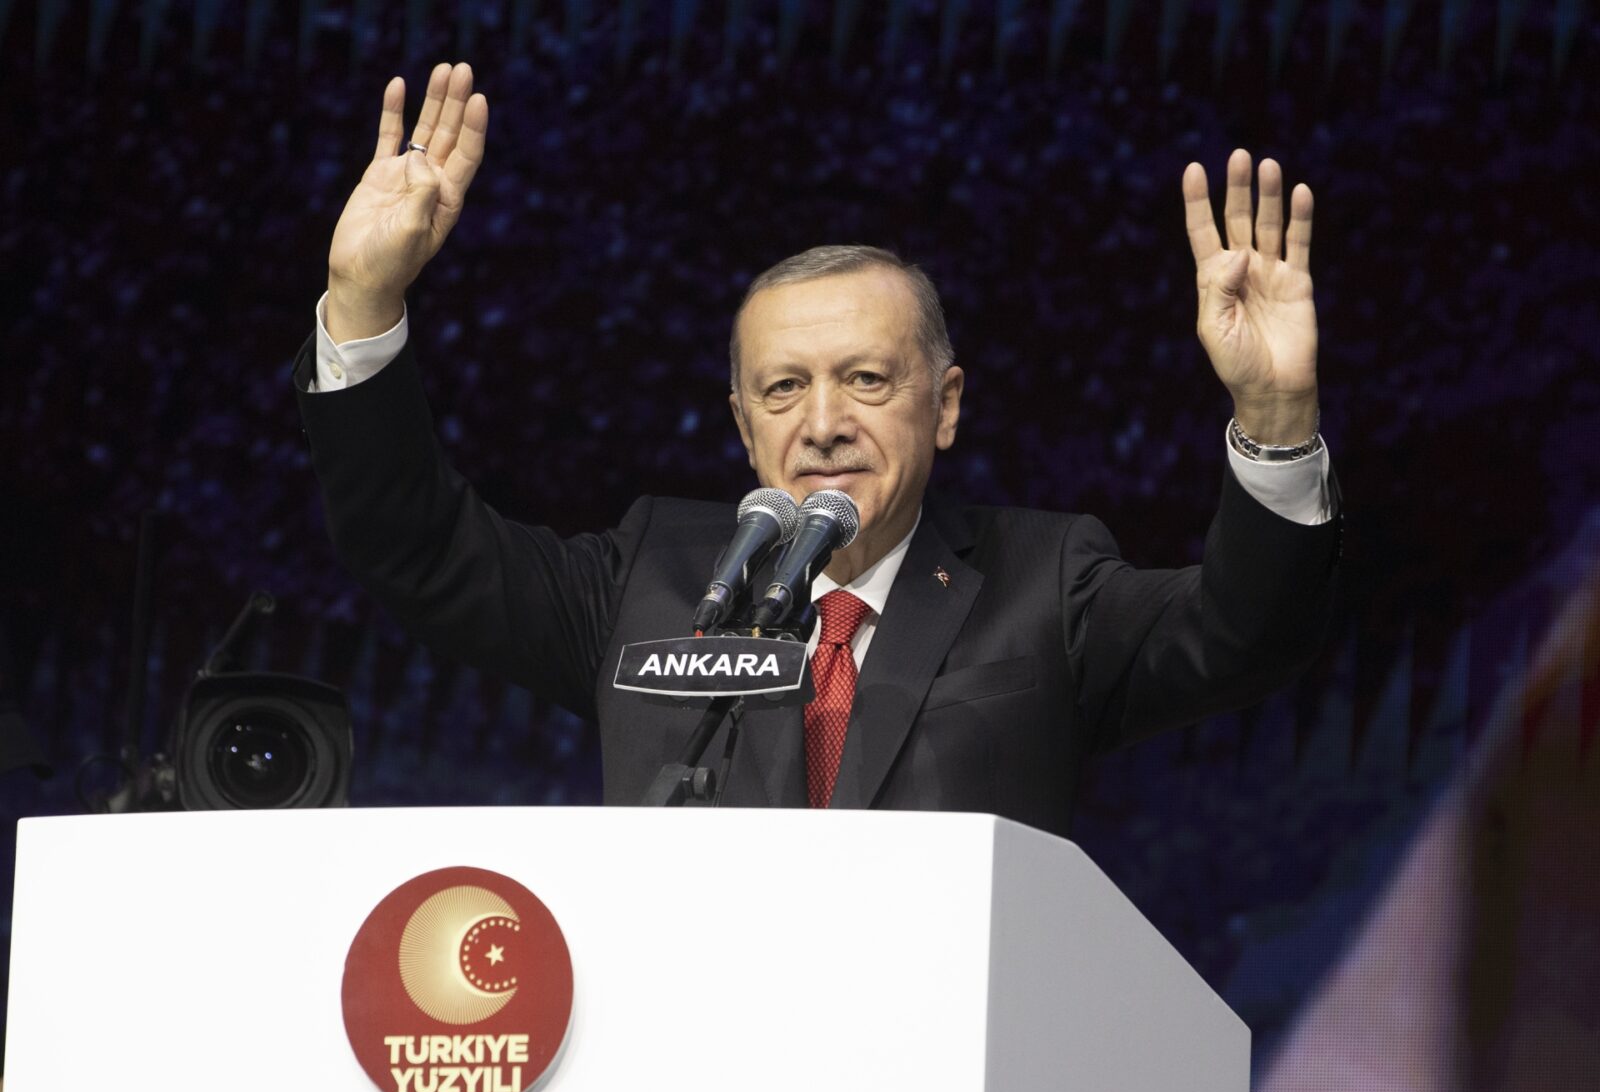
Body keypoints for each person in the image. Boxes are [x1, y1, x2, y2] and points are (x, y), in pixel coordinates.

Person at [295, 63, 1341, 836]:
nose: (824, 421)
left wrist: (1276, 415)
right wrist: (362, 301)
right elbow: (415, 548)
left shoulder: (1046, 585)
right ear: (743, 424)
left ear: (945, 405)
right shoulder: (647, 581)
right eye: (784, 388)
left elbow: (1246, 633)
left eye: (867, 379)